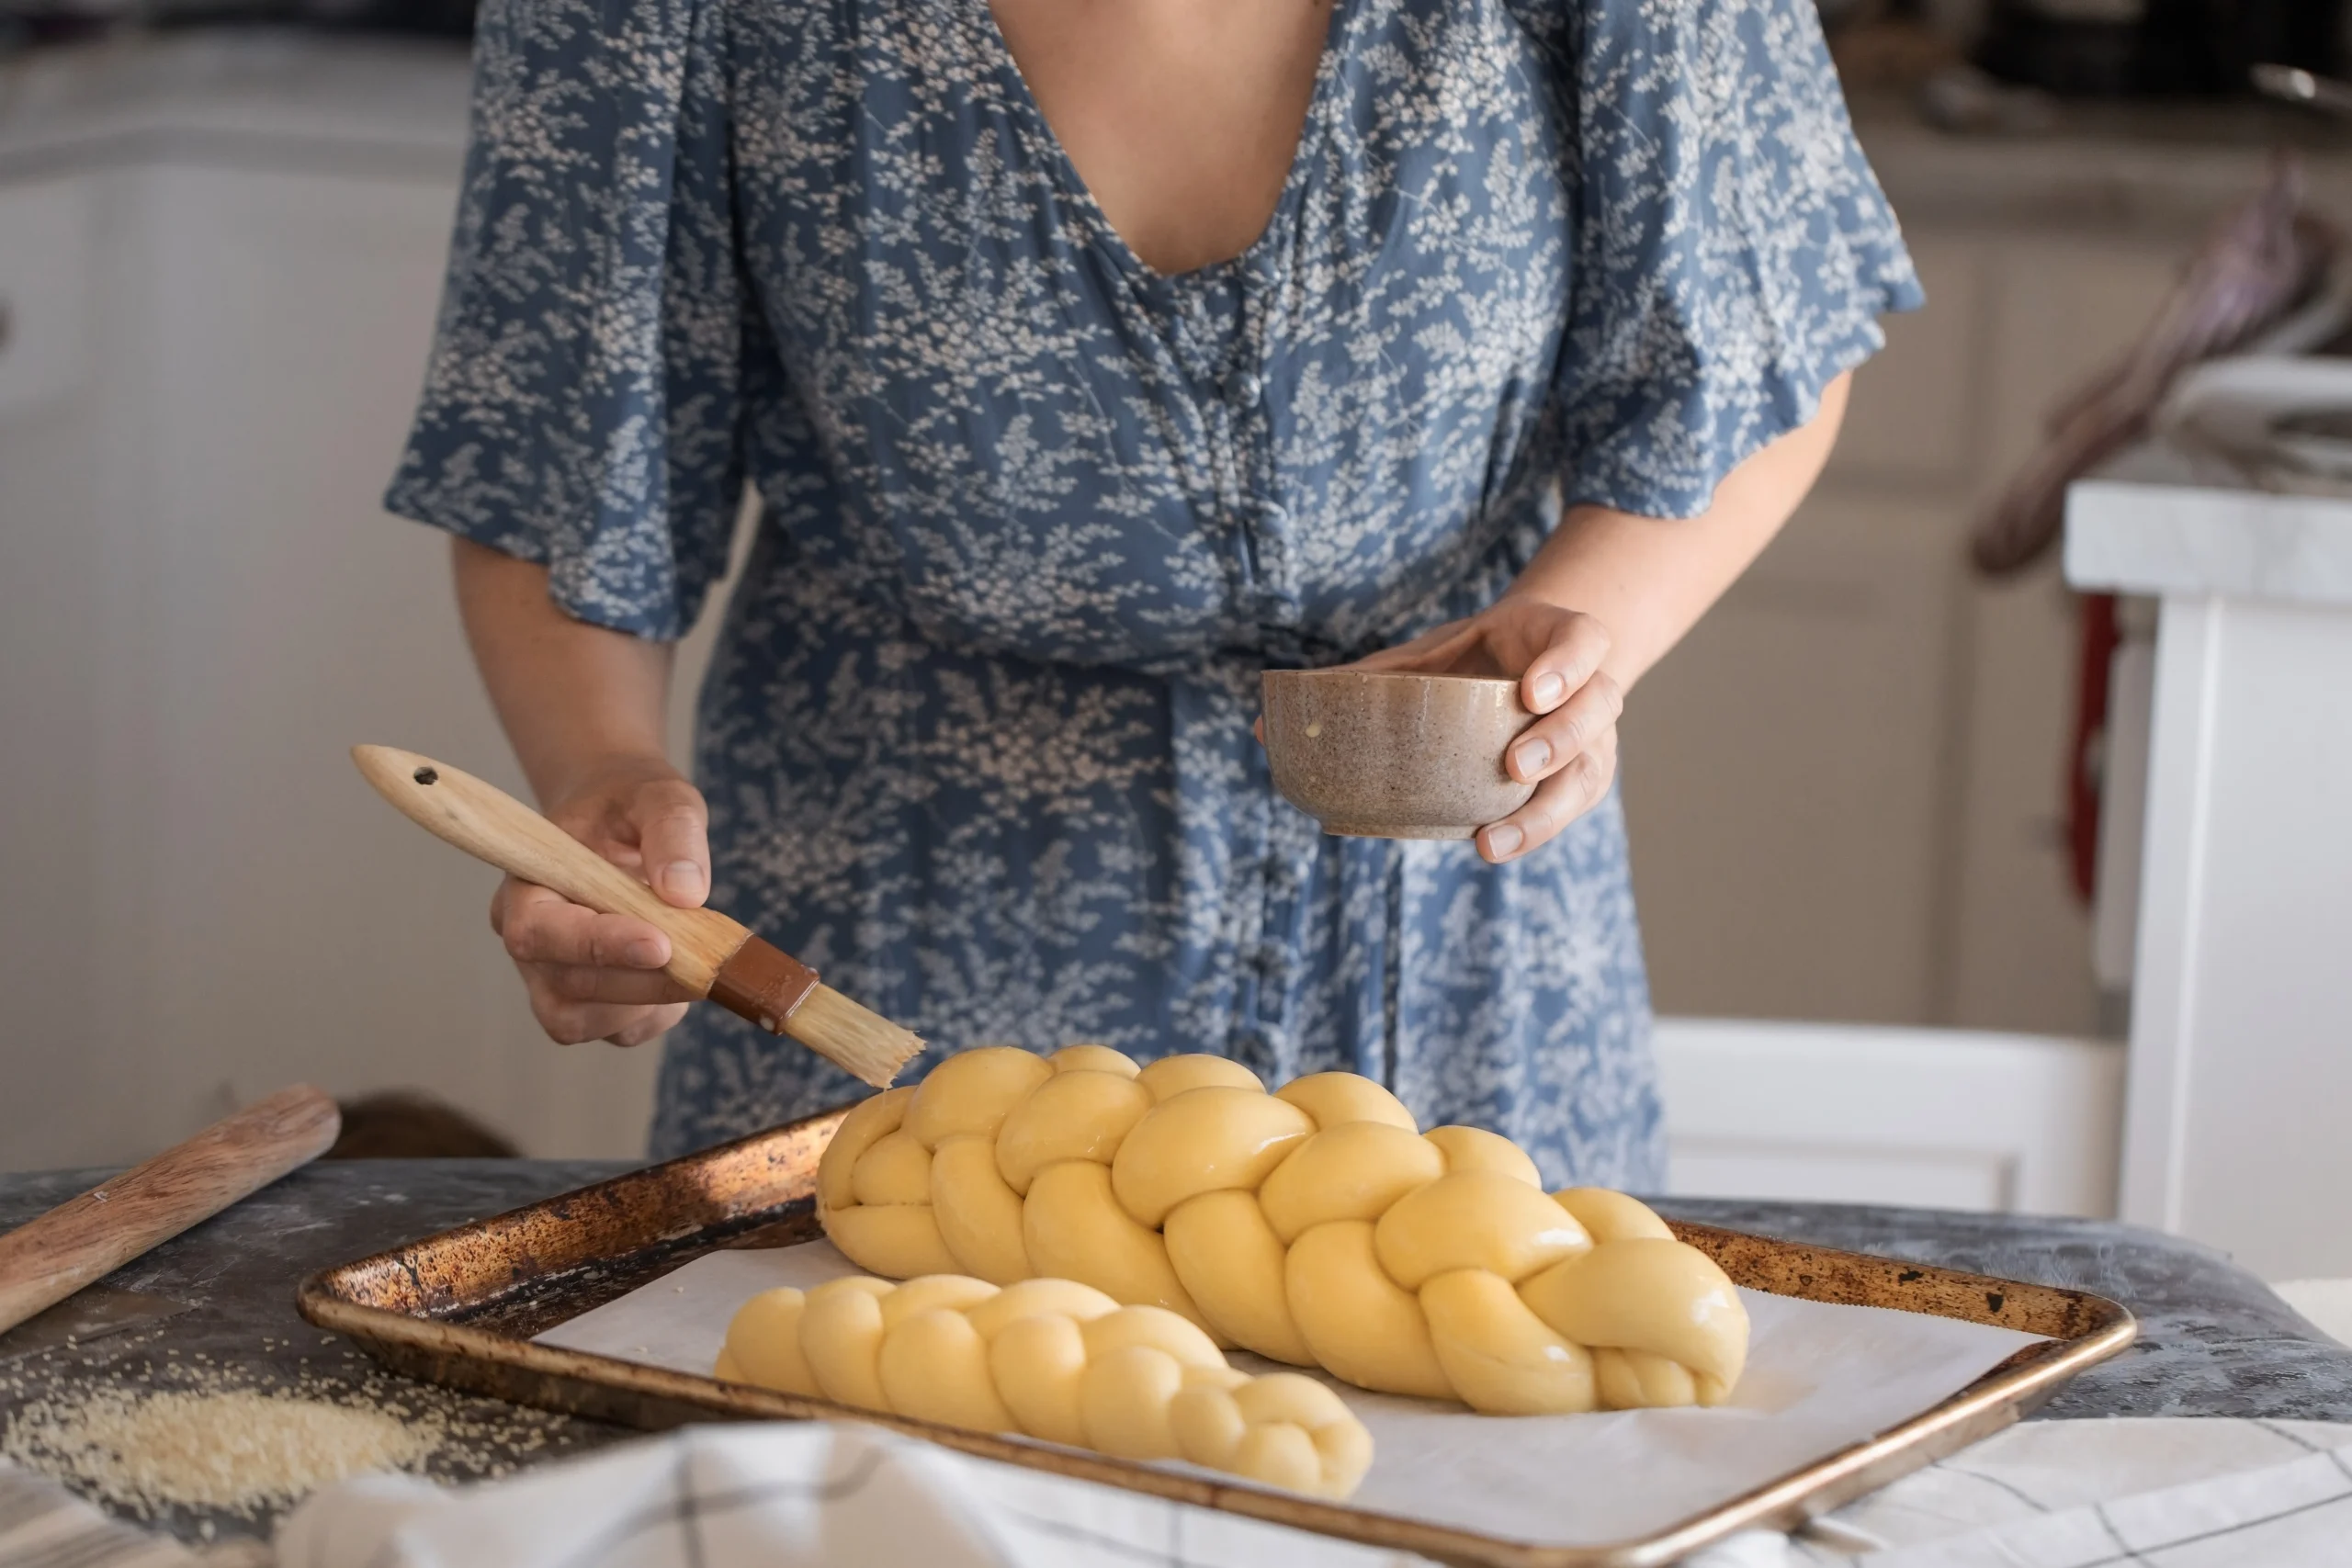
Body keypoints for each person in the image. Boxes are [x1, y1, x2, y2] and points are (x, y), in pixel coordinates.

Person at [388, 0, 1918, 1188]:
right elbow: (558, 447)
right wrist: (599, 775)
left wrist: (1588, 634)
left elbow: (1767, 333)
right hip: (880, 981)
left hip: (1458, 956)